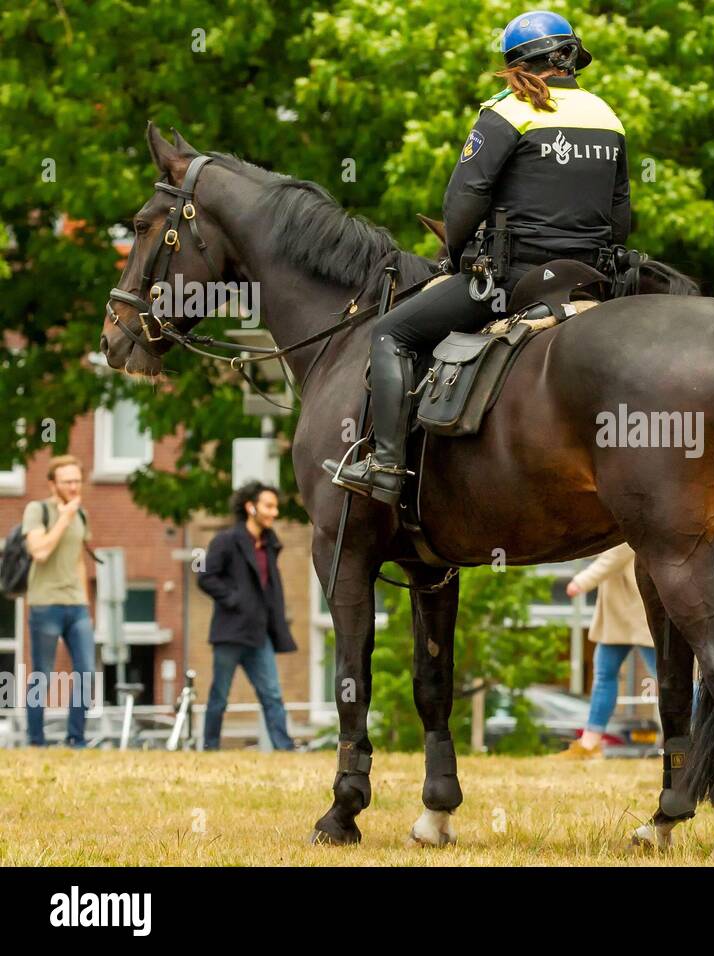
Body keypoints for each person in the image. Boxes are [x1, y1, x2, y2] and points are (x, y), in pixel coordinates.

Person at [323, 10, 631, 504]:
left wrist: (459, 255)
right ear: (573, 60)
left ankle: (385, 463)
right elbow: (620, 216)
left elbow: (462, 201)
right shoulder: (607, 117)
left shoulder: (507, 113)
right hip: (588, 283)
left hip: (516, 281)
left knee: (389, 332)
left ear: (518, 65)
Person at [197, 481, 298, 751]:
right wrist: (234, 598)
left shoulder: (269, 545)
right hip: (230, 632)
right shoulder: (226, 540)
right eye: (269, 506)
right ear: (250, 507)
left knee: (272, 695)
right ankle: (209, 747)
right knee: (219, 695)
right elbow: (205, 577)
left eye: (275, 507)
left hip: (259, 633)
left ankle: (284, 748)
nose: (274, 512)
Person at [22, 455, 96, 748]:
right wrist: (64, 517)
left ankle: (76, 738)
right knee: (43, 673)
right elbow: (39, 551)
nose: (74, 487)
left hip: (75, 604)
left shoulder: (82, 514)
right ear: (53, 484)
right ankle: (36, 740)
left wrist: (85, 603)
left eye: (77, 480)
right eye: (67, 481)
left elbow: (78, 559)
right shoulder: (37, 510)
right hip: (45, 603)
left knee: (86, 672)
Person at [555, 543, 656, 758]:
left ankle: (696, 730)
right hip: (616, 616)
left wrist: (580, 582)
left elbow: (612, 558)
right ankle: (589, 744)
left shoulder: (627, 528)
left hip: (640, 614)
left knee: (668, 678)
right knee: (603, 676)